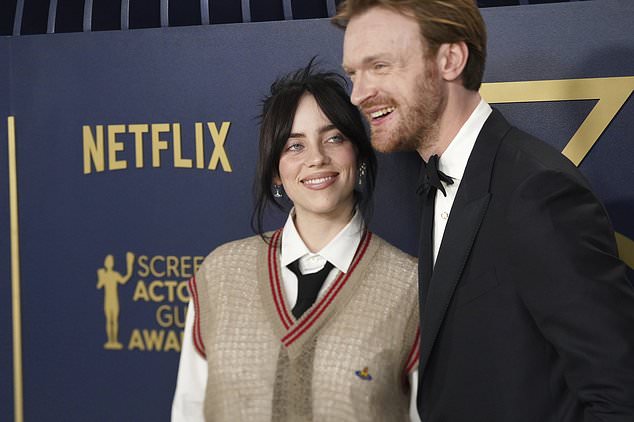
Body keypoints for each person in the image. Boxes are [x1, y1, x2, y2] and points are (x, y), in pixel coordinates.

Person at [334, 1, 634, 421]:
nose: (359, 94)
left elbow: (621, 394)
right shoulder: (443, 176)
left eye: (379, 66)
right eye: (353, 73)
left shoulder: (536, 190)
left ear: (451, 59)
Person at [171, 62, 421, 421]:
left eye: (334, 138)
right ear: (275, 170)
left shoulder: (410, 288)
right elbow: (188, 412)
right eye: (294, 146)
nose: (317, 158)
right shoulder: (220, 274)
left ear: (360, 155)